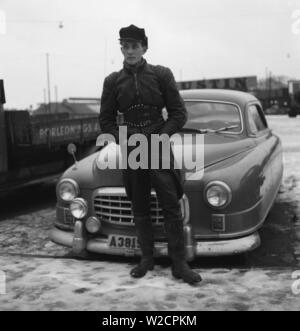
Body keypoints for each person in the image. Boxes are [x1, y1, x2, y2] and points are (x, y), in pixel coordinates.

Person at [99, 24, 201, 285]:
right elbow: (105, 119)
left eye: (134, 46)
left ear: (144, 47)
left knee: (170, 203)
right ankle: (146, 258)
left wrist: (162, 136)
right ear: (120, 48)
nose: (129, 51)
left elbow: (178, 113)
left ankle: (179, 264)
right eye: (125, 45)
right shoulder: (112, 81)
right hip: (133, 147)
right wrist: (125, 140)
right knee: (140, 205)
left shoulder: (161, 75)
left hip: (158, 143)